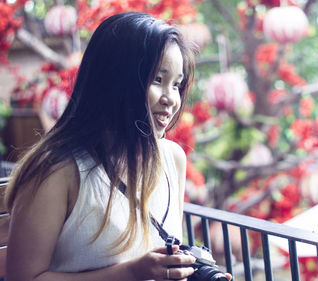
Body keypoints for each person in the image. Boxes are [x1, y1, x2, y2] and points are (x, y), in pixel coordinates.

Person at [5, 12, 229, 281]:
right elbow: (23, 277)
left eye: (177, 84)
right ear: (115, 80)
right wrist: (131, 272)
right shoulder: (57, 170)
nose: (171, 98)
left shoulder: (173, 158)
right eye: (158, 80)